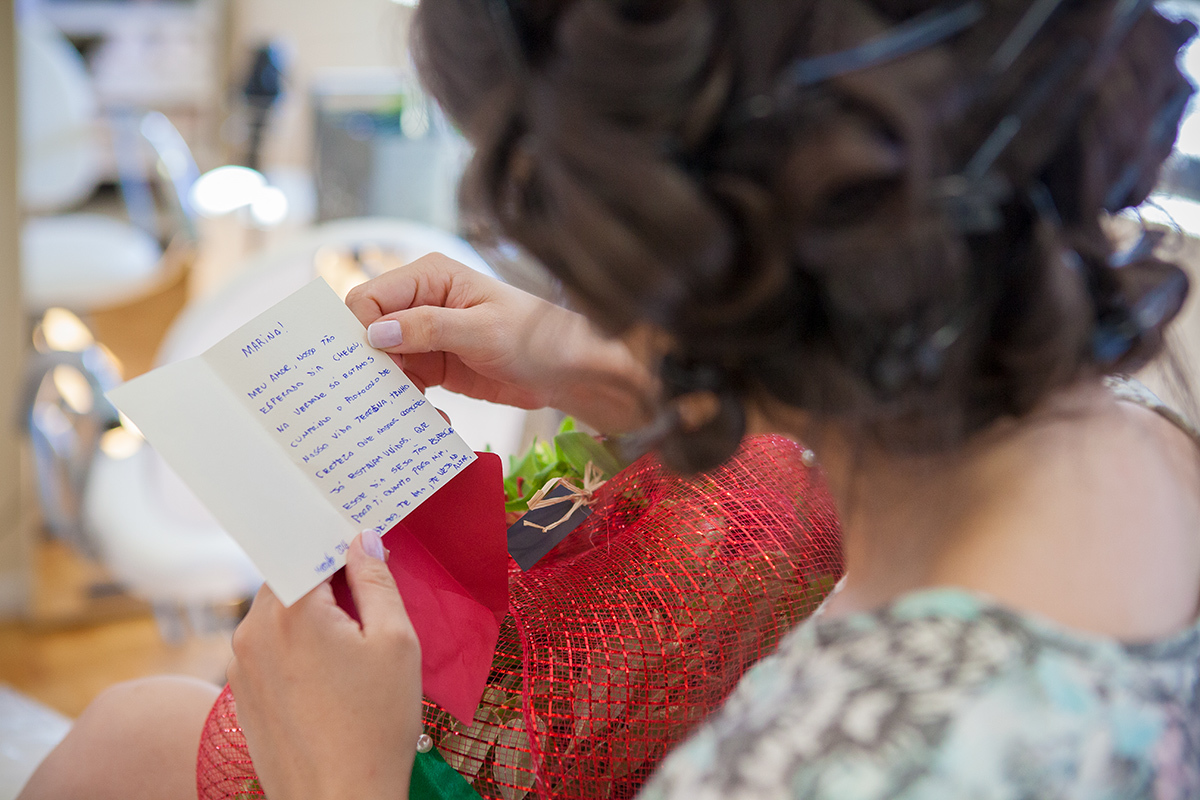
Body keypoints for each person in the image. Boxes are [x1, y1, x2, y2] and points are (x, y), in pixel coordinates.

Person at [18, 0, 1200, 797]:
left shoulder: (827, 759)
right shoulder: (1149, 400)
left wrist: (343, 781)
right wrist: (632, 364)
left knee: (132, 736)